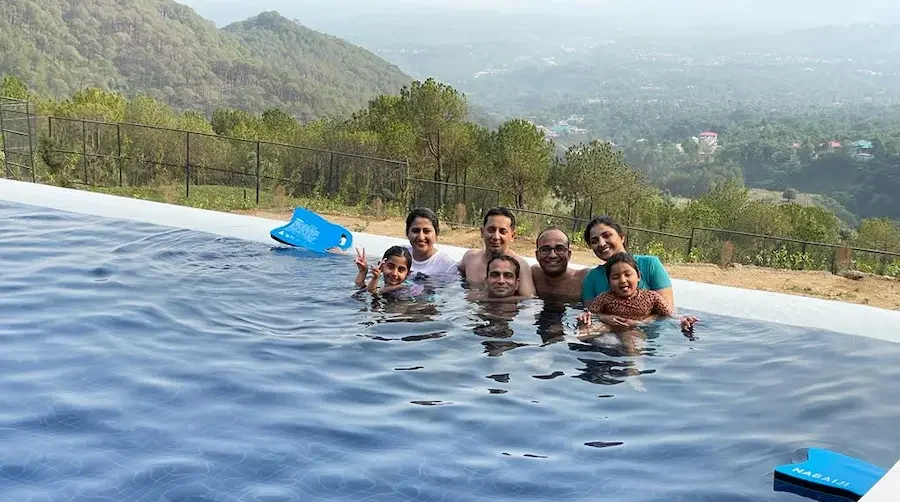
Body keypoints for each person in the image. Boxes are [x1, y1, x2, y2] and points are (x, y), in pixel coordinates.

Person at [581, 215, 690, 329]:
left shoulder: (650, 264)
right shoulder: (592, 277)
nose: (601, 244)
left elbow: (667, 312)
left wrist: (639, 323)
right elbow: (589, 316)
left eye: (607, 235)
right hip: (608, 336)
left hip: (650, 336)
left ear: (622, 237)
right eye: (594, 241)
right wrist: (604, 318)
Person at [577, 252, 696, 332]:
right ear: (609, 281)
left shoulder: (651, 297)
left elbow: (669, 314)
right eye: (615, 277)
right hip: (608, 328)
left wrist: (683, 321)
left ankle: (633, 370)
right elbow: (590, 314)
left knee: (631, 343)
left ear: (639, 276)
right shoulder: (604, 297)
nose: (622, 280)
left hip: (635, 330)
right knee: (585, 334)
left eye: (628, 275)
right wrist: (588, 319)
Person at [458, 207, 535, 296]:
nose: (496, 237)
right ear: (482, 232)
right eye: (491, 230)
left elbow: (529, 301)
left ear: (512, 236)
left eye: (503, 231)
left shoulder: (521, 265)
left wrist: (479, 298)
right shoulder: (470, 258)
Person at [530, 226, 588, 301]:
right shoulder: (533, 274)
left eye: (559, 249)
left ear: (569, 254)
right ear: (537, 255)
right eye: (545, 249)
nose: (552, 255)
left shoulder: (584, 279)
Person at [404, 208, 458, 280]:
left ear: (436, 233)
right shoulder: (398, 255)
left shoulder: (447, 266)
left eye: (426, 231)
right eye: (415, 231)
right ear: (407, 233)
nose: (421, 237)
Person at [354, 245, 424, 299]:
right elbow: (359, 286)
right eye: (390, 267)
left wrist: (375, 279)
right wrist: (363, 271)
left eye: (401, 270)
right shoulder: (380, 281)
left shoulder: (402, 287)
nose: (394, 273)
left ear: (408, 274)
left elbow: (372, 292)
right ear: (381, 266)